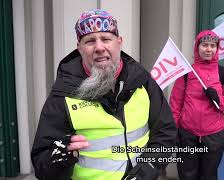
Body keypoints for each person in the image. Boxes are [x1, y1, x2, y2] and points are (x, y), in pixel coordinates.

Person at [31, 9, 176, 180]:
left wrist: (147, 170)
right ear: (79, 48)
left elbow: (165, 133)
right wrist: (57, 159)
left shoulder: (143, 82)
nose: (99, 47)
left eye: (106, 39)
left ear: (119, 42)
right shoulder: (63, 94)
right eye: (90, 41)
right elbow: (42, 165)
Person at [169, 30, 224, 180]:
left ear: (217, 49)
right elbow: (175, 105)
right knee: (187, 176)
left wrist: (219, 99)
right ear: (197, 47)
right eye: (205, 45)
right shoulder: (186, 73)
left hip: (214, 136)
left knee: (208, 176)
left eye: (213, 46)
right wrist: (174, 130)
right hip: (187, 135)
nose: (208, 49)